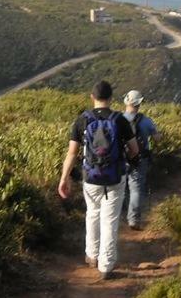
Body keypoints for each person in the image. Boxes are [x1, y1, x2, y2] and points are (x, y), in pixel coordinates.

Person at [58, 80, 138, 280]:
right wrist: (126, 161)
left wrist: (64, 178)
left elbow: (72, 153)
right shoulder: (120, 120)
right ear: (111, 99)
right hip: (115, 176)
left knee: (92, 213)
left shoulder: (82, 120)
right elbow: (134, 149)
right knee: (109, 220)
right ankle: (106, 266)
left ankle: (91, 255)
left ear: (92, 97)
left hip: (90, 177)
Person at [122, 89, 160, 230]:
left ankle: (122, 215)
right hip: (140, 158)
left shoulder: (118, 119)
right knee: (136, 188)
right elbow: (157, 138)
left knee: (122, 187)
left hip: (121, 159)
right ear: (139, 104)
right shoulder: (146, 121)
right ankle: (133, 220)